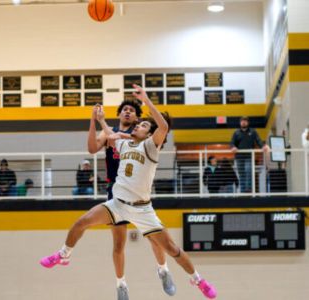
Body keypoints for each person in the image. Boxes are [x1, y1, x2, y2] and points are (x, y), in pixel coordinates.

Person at [40, 85, 217, 299]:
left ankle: (198, 280)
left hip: (142, 209)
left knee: (172, 249)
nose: (137, 124)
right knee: (81, 222)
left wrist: (146, 101)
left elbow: (162, 126)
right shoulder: (124, 144)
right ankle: (63, 254)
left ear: (149, 133)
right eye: (139, 122)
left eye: (143, 124)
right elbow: (108, 135)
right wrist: (100, 119)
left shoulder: (151, 147)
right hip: (118, 204)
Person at [86, 99, 175, 298]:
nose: (127, 112)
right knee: (118, 245)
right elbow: (92, 149)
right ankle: (121, 284)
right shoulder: (108, 132)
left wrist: (116, 132)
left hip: (138, 194)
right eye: (124, 109)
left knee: (155, 239)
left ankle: (163, 269)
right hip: (116, 192)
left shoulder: (142, 135)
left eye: (132, 110)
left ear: (137, 117)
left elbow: (156, 135)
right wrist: (94, 121)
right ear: (119, 114)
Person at [230, 116, 269, 193]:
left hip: (249, 156)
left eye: (245, 121)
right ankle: (243, 191)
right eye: (242, 121)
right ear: (240, 123)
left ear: (248, 122)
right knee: (241, 174)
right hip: (239, 157)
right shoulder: (236, 132)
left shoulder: (253, 131)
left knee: (248, 171)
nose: (243, 122)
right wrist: (233, 147)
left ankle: (248, 189)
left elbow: (258, 140)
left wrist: (263, 146)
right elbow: (232, 143)